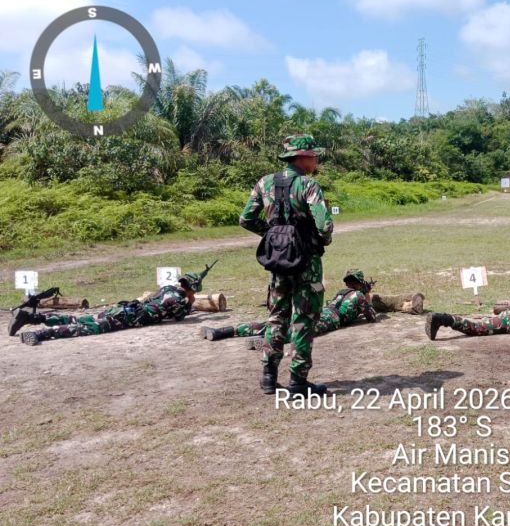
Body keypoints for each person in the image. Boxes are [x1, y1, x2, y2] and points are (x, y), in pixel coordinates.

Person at [239, 134, 333, 396]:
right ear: (302, 157)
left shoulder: (264, 182)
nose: (316, 159)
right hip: (306, 262)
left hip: (277, 261)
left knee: (276, 316)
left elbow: (245, 218)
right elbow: (324, 225)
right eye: (313, 155)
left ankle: (268, 377)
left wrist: (272, 236)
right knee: (304, 319)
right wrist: (316, 241)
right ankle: (298, 382)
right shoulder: (308, 185)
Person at [9, 262, 216, 345]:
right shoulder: (178, 299)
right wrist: (190, 301)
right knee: (85, 328)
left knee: (80, 318)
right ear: (193, 289)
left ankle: (34, 317)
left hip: (124, 308)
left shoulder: (168, 289)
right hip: (129, 317)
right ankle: (39, 334)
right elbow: (180, 315)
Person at [200, 269, 376, 341]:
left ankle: (225, 331)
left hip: (319, 310)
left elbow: (319, 289)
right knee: (299, 331)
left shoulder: (342, 292)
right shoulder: (359, 296)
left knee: (277, 323)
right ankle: (268, 341)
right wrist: (367, 297)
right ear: (360, 283)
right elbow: (371, 317)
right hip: (331, 318)